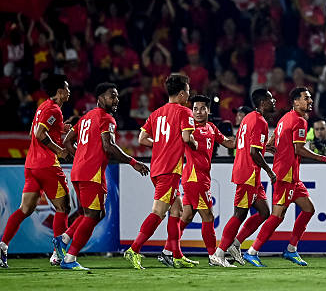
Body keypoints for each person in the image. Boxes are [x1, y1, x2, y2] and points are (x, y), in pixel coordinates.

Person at [243, 87, 326, 267]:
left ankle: (291, 249)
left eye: (310, 98)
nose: (310, 101)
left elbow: (272, 140)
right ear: (296, 102)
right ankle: (252, 252)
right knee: (277, 215)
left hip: (291, 175)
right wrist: (325, 158)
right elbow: (299, 149)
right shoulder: (299, 121)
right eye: (306, 98)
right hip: (285, 175)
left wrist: (272, 148)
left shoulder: (285, 118)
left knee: (308, 209)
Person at [59, 83, 149, 270]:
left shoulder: (86, 117)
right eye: (112, 96)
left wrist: (81, 158)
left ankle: (64, 239)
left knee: (91, 214)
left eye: (117, 96)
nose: (116, 100)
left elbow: (67, 141)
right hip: (92, 174)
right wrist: (133, 162)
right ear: (100, 98)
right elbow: (109, 146)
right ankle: (69, 258)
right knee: (93, 215)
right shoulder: (106, 119)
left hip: (79, 172)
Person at [123, 74, 198, 269]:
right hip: (169, 170)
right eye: (188, 91)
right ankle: (134, 249)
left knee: (177, 210)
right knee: (158, 212)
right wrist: (194, 144)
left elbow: (141, 139)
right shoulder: (184, 112)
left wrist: (161, 144)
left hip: (157, 168)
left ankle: (176, 255)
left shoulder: (156, 113)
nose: (189, 95)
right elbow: (187, 138)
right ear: (181, 94)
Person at [0, 74, 71, 269]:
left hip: (31, 165)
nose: (69, 91)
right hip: (47, 166)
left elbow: (33, 131)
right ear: (59, 91)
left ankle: (3, 246)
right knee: (63, 207)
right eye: (66, 88)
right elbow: (39, 134)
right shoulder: (54, 109)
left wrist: (60, 128)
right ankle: (58, 254)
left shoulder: (43, 107)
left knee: (25, 209)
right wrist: (59, 150)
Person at [157, 95, 235, 267]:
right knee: (208, 216)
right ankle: (214, 256)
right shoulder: (188, 129)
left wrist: (245, 140)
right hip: (195, 178)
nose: (198, 112)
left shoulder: (211, 128)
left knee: (186, 216)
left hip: (200, 177)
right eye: (195, 109)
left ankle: (167, 252)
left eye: (202, 108)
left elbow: (228, 143)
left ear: (208, 110)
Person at [211, 89, 276, 267]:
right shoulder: (260, 121)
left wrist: (265, 147)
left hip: (248, 172)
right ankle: (219, 253)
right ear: (262, 103)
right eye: (270, 99)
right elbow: (253, 152)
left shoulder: (248, 118)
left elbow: (248, 144)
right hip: (248, 173)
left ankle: (235, 244)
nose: (274, 101)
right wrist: (269, 171)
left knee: (264, 212)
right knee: (239, 214)